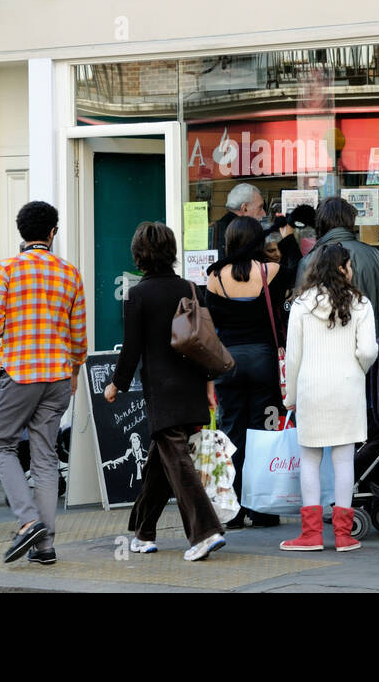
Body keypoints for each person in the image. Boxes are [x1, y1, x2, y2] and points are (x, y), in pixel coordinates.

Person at [104, 221, 227, 562]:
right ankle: (143, 533)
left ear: (138, 254)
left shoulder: (137, 294)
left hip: (161, 388)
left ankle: (205, 531)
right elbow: (203, 343)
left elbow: (132, 348)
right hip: (190, 382)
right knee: (161, 463)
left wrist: (116, 385)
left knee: (178, 463)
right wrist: (208, 385)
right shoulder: (189, 287)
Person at [0, 200, 86, 566]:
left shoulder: (6, 269)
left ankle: (28, 521)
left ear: (21, 233)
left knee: (0, 442)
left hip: (21, 373)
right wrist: (74, 371)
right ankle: (45, 547)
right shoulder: (70, 273)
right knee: (46, 457)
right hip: (58, 374)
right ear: (52, 233)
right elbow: (79, 336)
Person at [279, 243, 378, 552]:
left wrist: (290, 396)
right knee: (344, 459)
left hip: (311, 388)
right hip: (347, 388)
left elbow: (293, 357)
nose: (352, 270)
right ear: (341, 268)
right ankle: (343, 534)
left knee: (309, 458)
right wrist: (357, 369)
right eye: (348, 265)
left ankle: (310, 534)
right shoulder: (361, 304)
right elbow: (369, 350)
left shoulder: (301, 305)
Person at [206, 214, 301, 528]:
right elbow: (298, 266)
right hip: (263, 360)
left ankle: (232, 511)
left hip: (228, 362)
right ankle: (262, 508)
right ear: (258, 242)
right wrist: (286, 235)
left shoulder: (215, 277)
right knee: (264, 432)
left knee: (231, 433)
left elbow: (212, 323)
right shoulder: (270, 271)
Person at [296, 197, 379, 337]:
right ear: (350, 221)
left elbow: (299, 315)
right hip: (371, 342)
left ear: (320, 224)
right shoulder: (377, 256)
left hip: (324, 348)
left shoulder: (309, 261)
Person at [212, 183, 265, 263]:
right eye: (260, 208)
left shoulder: (217, 227)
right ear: (245, 208)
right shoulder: (246, 233)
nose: (264, 214)